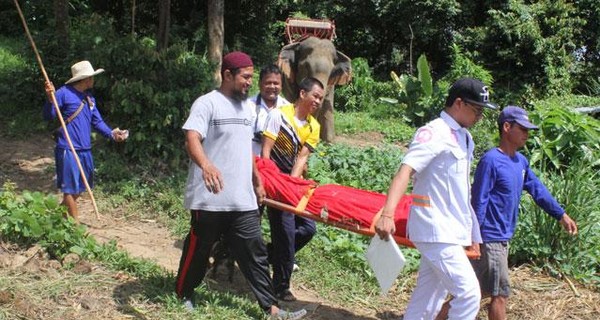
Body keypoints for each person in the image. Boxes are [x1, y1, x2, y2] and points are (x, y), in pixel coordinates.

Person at [174, 51, 306, 320]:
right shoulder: (207, 103)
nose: (249, 82)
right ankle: (184, 292)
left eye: (250, 77)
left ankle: (271, 308)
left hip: (241, 197)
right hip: (209, 197)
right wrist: (207, 165)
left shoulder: (248, 109)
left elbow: (246, 148)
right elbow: (192, 139)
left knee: (254, 252)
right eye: (245, 77)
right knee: (200, 247)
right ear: (227, 75)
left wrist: (257, 180)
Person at [439, 106, 578, 320]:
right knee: (500, 294)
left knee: (476, 292)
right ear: (506, 127)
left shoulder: (520, 162)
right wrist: (474, 237)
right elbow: (479, 201)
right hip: (490, 238)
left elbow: (538, 190)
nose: (527, 134)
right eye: (522, 129)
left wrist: (561, 215)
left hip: (501, 239)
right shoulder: (491, 161)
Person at [374, 78, 497, 320]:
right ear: (459, 103)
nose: (480, 117)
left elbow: (462, 191)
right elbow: (405, 172)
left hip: (451, 230)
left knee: (428, 301)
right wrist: (387, 214)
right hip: (433, 228)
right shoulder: (433, 132)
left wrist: (473, 234)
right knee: (469, 294)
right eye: (477, 110)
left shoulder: (465, 139)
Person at [261, 77, 324, 301]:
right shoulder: (279, 115)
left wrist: (292, 185)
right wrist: (268, 181)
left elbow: (301, 159)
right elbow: (266, 151)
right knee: (286, 234)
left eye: (321, 98)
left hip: (291, 184)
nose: (318, 101)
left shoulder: (314, 127)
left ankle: (267, 254)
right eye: (315, 96)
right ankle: (281, 286)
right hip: (272, 179)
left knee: (308, 228)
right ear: (302, 94)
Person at [43, 60, 128, 223]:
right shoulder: (62, 93)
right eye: (91, 77)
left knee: (80, 189)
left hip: (85, 149)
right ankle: (75, 229)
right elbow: (48, 116)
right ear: (85, 79)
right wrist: (49, 99)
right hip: (68, 148)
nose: (93, 80)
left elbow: (97, 122)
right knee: (69, 189)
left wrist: (112, 133)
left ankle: (59, 217)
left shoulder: (89, 98)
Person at [251, 64, 290, 156]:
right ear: (259, 84)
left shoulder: (288, 108)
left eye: (276, 83)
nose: (272, 87)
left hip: (277, 166)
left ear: (281, 85)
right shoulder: (247, 106)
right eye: (268, 83)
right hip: (251, 163)